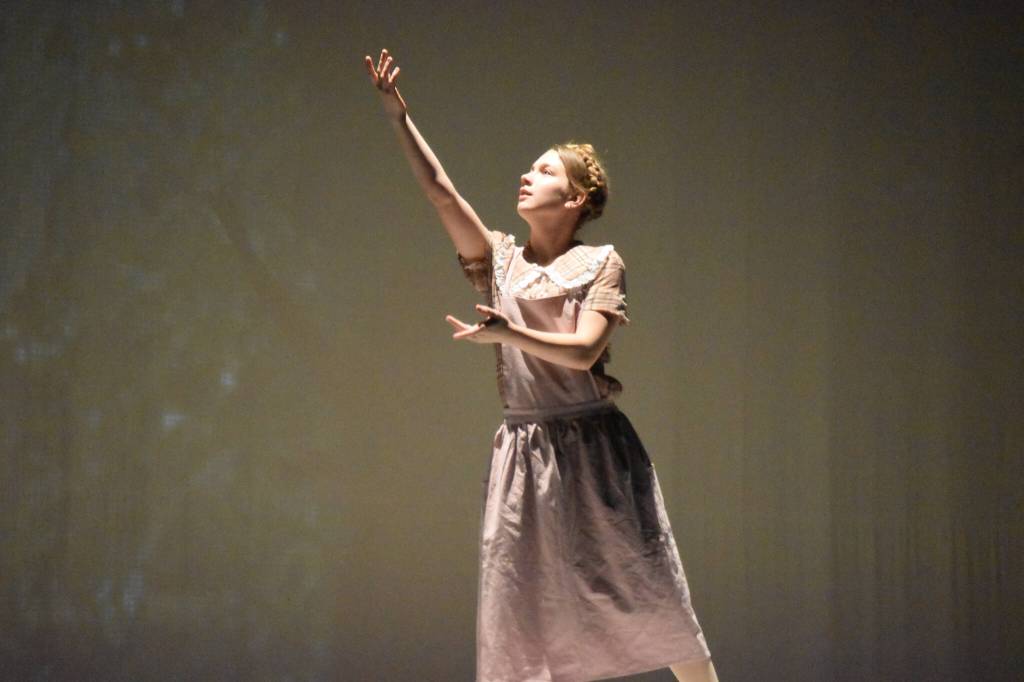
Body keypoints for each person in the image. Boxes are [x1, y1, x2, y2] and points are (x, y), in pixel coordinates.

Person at [365, 48, 720, 682]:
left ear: (577, 196)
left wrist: (511, 331)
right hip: (524, 452)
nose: (526, 176)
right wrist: (399, 117)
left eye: (545, 169)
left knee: (651, 593)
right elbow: (443, 195)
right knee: (520, 612)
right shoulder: (499, 259)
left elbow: (584, 350)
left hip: (595, 447)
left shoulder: (603, 261)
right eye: (528, 168)